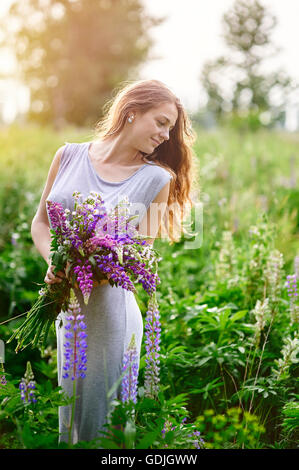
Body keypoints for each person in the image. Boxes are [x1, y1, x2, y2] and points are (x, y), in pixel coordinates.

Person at [30, 79, 197, 446]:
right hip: (69, 311)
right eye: (161, 122)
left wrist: (83, 273)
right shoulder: (68, 155)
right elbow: (40, 223)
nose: (165, 136)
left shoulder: (156, 179)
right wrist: (55, 265)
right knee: (70, 419)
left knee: (103, 427)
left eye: (170, 128)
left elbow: (139, 256)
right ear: (132, 111)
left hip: (111, 316)